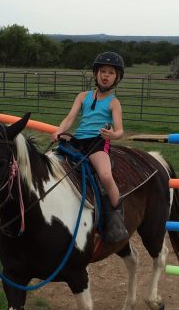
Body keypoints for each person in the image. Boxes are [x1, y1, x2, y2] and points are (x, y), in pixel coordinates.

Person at [51, 51, 128, 243]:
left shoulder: (114, 103)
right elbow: (70, 118)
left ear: (116, 77)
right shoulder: (82, 96)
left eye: (111, 72)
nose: (106, 75)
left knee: (105, 175)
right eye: (103, 71)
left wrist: (112, 135)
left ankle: (117, 215)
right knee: (51, 162)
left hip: (97, 142)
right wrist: (59, 131)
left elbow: (120, 131)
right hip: (78, 141)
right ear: (95, 74)